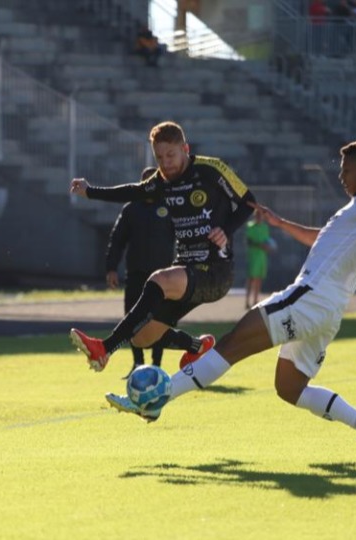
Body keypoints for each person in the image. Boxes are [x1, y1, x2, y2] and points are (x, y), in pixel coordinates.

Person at [105, 140, 356, 464]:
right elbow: (322, 238)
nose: (341, 176)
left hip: (309, 300)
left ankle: (157, 397)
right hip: (328, 311)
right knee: (289, 387)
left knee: (232, 344)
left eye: (347, 170)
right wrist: (281, 223)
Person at [69, 121, 256, 373]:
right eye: (159, 157)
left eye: (171, 155)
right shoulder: (161, 181)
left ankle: (105, 348)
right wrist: (90, 191)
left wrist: (226, 230)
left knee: (159, 279)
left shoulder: (211, 169)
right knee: (141, 337)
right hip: (186, 267)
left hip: (215, 270)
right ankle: (197, 346)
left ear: (185, 149)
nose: (165, 162)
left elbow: (249, 202)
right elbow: (132, 192)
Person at [105, 166, 178, 378]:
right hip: (136, 274)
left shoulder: (170, 208)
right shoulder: (130, 210)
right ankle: (138, 363)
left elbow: (184, 237)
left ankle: (156, 364)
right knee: (132, 318)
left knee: (160, 318)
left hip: (163, 278)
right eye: (145, 184)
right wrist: (111, 267)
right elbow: (117, 240)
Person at [244, 208, 274, 309]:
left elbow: (267, 241)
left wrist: (268, 247)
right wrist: (260, 245)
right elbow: (249, 242)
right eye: (257, 215)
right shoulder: (250, 226)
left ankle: (255, 301)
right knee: (251, 279)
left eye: (261, 216)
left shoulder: (265, 228)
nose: (259, 217)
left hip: (262, 256)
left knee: (259, 279)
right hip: (253, 256)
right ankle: (247, 301)